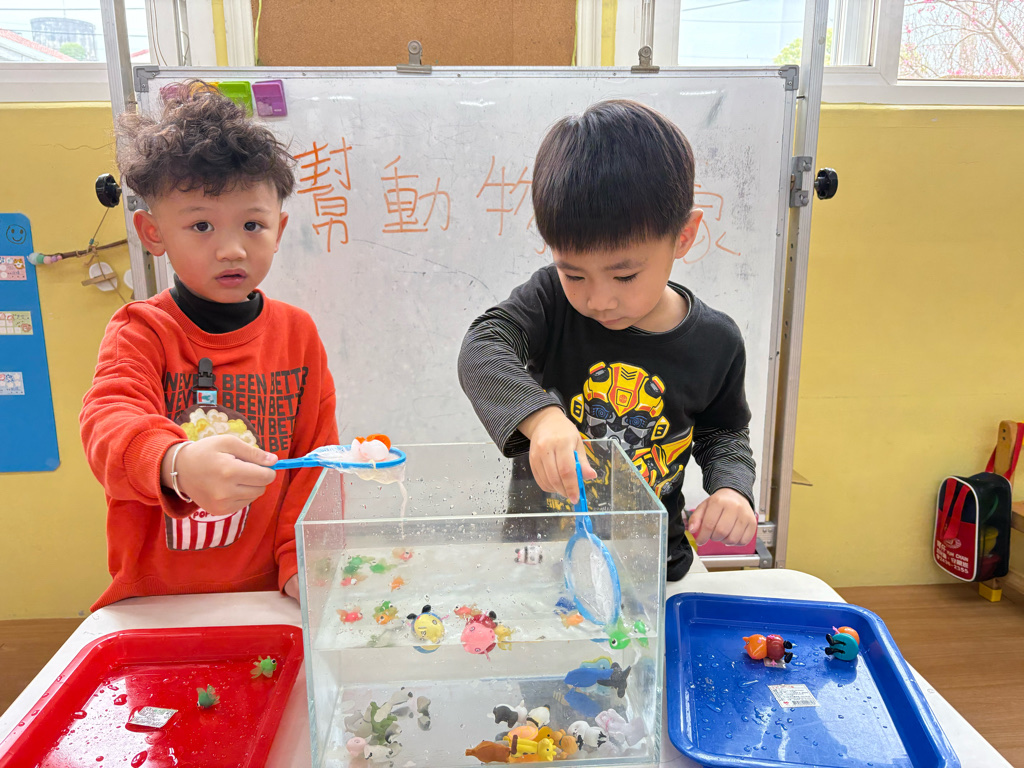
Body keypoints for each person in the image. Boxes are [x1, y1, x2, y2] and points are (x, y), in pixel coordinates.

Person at [458, 99, 757, 580]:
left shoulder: (715, 342)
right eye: (574, 274)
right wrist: (542, 419)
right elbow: (482, 347)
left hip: (650, 559)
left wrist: (732, 489)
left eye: (624, 276)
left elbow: (723, 432)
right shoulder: (551, 301)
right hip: (541, 554)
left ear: (683, 236)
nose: (598, 300)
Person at [81, 81, 338, 610]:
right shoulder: (140, 331)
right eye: (201, 225)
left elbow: (313, 465)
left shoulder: (298, 335)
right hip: (157, 605)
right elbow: (108, 424)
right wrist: (175, 462)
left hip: (270, 597)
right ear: (153, 233)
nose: (231, 249)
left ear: (279, 229)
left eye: (253, 224)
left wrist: (300, 565)